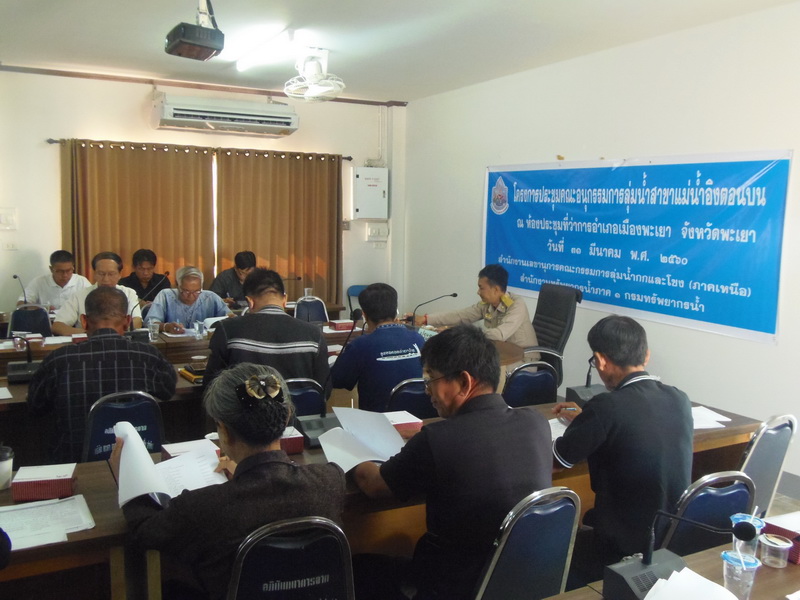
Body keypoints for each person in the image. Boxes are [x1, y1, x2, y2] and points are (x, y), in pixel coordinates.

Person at [111, 363, 345, 600]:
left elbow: (146, 531)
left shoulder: (203, 507)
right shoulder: (330, 481)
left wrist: (128, 476)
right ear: (285, 419)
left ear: (222, 431)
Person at [353, 325, 552, 600]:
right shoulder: (537, 423)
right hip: (525, 580)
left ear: (464, 382)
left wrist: (353, 448)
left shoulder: (437, 439)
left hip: (454, 586)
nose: (427, 391)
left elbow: (373, 484)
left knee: (358, 567)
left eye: (431, 379)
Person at [552, 315, 693, 585]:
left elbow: (557, 460)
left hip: (621, 548)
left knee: (552, 552)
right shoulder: (679, 398)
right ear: (646, 355)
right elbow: (636, 421)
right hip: (670, 540)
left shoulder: (606, 407)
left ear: (601, 360)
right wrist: (587, 419)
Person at [28, 287, 177, 463]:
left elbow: (35, 406)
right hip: (140, 458)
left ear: (84, 321)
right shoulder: (148, 355)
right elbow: (168, 391)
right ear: (127, 321)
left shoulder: (59, 359)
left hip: (75, 461)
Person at [205, 268, 329, 392]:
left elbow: (211, 385)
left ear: (250, 302)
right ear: (285, 300)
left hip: (243, 404)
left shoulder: (228, 330)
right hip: (301, 405)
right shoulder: (314, 334)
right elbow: (324, 388)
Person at [331, 283, 425, 412]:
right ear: (396, 311)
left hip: (376, 419)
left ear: (364, 314)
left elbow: (338, 380)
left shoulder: (361, 345)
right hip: (415, 415)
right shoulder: (418, 339)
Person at [414, 264, 538, 350]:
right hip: (500, 353)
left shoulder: (516, 305)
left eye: (481, 288)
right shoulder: (487, 304)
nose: (478, 292)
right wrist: (426, 319)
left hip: (523, 359)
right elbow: (461, 316)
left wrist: (460, 333)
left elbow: (499, 335)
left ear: (495, 289)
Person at [51, 251, 142, 335]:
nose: (106, 279)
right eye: (101, 274)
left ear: (119, 274)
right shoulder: (79, 296)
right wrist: (90, 333)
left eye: (111, 274)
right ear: (94, 274)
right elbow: (58, 326)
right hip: (88, 343)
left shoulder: (128, 293)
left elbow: (137, 321)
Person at [146, 266, 233, 334]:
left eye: (197, 291)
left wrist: (232, 318)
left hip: (203, 344)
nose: (191, 296)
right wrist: (166, 327)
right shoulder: (165, 295)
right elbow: (150, 323)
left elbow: (230, 317)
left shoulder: (210, 297)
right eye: (186, 291)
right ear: (178, 285)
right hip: (172, 345)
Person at [16, 249, 91, 310]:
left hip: (74, 321)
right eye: (60, 271)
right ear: (51, 269)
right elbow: (21, 304)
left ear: (73, 268)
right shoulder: (39, 282)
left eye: (68, 270)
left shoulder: (81, 281)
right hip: (46, 322)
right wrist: (42, 308)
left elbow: (94, 303)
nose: (65, 275)